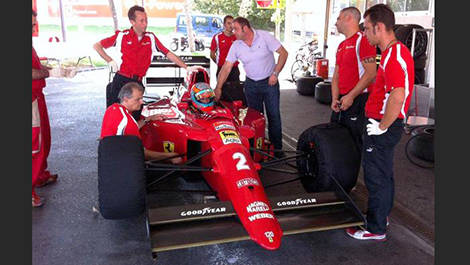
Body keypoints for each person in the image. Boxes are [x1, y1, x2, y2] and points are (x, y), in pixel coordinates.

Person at [346, 4, 415, 241]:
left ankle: (375, 229)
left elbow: (397, 94)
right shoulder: (389, 52)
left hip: (382, 125)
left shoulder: (395, 55)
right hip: (382, 123)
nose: (364, 33)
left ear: (379, 27)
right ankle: (381, 216)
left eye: (366, 29)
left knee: (376, 176)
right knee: (384, 175)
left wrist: (382, 126)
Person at [93, 5, 196, 120]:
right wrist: (109, 60)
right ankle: (110, 138)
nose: (145, 24)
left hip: (138, 83)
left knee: (135, 119)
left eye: (146, 20)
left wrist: (186, 67)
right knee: (115, 117)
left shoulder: (150, 38)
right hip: (121, 81)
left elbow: (168, 53)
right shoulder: (122, 36)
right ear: (132, 22)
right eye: (141, 21)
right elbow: (97, 46)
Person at [214, 17, 288, 157]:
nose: (232, 31)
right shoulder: (236, 45)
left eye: (235, 28)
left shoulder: (265, 37)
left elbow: (284, 53)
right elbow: (226, 67)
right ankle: (257, 151)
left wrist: (275, 73)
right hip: (251, 85)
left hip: (269, 83)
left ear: (245, 28)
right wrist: (218, 87)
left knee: (273, 116)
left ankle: (277, 150)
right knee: (255, 119)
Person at [330, 7, 377, 154]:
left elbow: (371, 74)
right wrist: (334, 98)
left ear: (349, 18)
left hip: (357, 100)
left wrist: (351, 96)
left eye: (338, 18)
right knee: (335, 139)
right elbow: (336, 76)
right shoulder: (341, 45)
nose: (336, 22)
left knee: (352, 143)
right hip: (341, 100)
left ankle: (351, 176)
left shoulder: (363, 40)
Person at [100, 82, 183, 164]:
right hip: (120, 166)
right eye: (138, 99)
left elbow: (131, 128)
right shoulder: (128, 122)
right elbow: (142, 153)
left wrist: (148, 119)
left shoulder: (112, 108)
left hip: (106, 159)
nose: (142, 102)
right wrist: (170, 156)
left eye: (142, 98)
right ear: (126, 99)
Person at [32, 9, 59, 207]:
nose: (34, 28)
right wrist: (47, 72)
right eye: (31, 24)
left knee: (44, 139)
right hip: (30, 99)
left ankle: (39, 174)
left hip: (36, 97)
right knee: (35, 144)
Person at [210, 15, 244, 103]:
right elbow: (212, 53)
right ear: (224, 24)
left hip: (234, 69)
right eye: (228, 23)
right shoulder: (217, 37)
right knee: (221, 93)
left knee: (235, 94)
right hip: (222, 68)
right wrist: (219, 63)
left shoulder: (237, 37)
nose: (231, 25)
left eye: (232, 23)